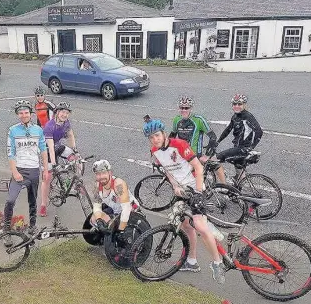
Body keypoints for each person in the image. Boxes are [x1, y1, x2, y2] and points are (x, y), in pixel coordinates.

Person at [143, 118, 225, 284]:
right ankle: (192, 261)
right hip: (182, 190)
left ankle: (218, 263)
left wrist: (199, 191)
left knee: (200, 226)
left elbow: (198, 167)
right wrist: (174, 186)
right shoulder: (155, 151)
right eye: (151, 137)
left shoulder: (179, 145)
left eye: (157, 135)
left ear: (164, 134)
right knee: (186, 225)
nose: (155, 140)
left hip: (196, 187)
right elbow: (167, 170)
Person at [5, 100, 49, 246]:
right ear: (18, 115)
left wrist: (45, 169)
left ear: (30, 114)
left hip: (34, 170)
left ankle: (32, 226)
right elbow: (11, 153)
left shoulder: (38, 130)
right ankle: (6, 231)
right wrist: (15, 171)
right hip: (20, 170)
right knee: (10, 200)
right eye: (21, 113)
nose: (24, 115)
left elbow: (43, 150)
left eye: (26, 113)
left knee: (32, 200)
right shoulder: (13, 130)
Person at [169, 96, 226, 184]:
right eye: (181, 108)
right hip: (182, 154)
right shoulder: (177, 119)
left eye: (186, 108)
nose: (184, 110)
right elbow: (172, 136)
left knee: (216, 165)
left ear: (191, 108)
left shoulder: (199, 120)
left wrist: (207, 155)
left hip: (195, 155)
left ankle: (225, 187)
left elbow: (213, 137)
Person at [39, 102, 77, 217]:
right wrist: (54, 164)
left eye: (66, 113)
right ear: (57, 112)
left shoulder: (66, 123)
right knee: (47, 179)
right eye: (62, 112)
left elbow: (70, 135)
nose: (64, 115)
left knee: (77, 160)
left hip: (58, 146)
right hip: (48, 152)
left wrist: (75, 150)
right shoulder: (49, 126)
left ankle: (73, 184)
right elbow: (50, 147)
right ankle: (43, 205)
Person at [215, 94, 263, 182]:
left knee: (215, 159)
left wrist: (250, 147)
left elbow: (259, 132)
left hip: (242, 149)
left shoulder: (247, 117)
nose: (236, 106)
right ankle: (237, 192)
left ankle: (223, 185)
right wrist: (217, 141)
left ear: (244, 105)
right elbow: (228, 130)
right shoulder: (235, 116)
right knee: (239, 171)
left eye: (239, 104)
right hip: (237, 147)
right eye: (234, 104)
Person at [90, 160, 140, 236]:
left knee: (111, 227)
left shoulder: (118, 185)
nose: (101, 177)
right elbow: (97, 205)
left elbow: (127, 209)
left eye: (103, 173)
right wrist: (99, 221)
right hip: (116, 211)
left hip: (132, 212)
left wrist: (121, 231)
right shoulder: (97, 186)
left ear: (109, 173)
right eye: (98, 174)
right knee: (94, 219)